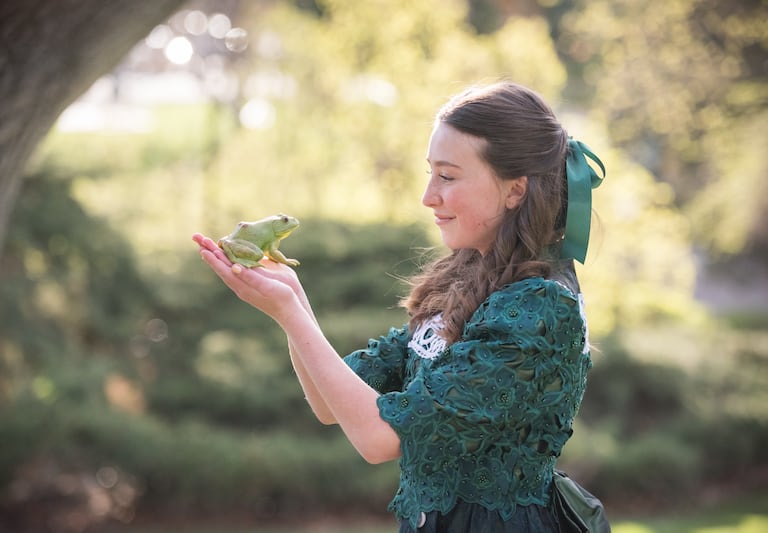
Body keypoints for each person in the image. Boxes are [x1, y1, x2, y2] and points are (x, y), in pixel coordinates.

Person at [192, 80, 610, 532]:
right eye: (430, 173)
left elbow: (379, 438)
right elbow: (331, 403)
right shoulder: (468, 279)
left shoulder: (539, 306)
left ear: (515, 190)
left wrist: (290, 313)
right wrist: (292, 301)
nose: (429, 196)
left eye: (448, 176)